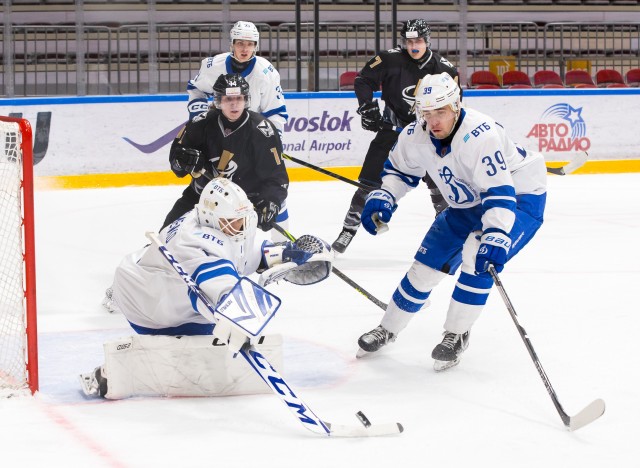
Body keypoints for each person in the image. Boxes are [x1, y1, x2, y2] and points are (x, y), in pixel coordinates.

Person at [356, 73, 547, 371]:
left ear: (456, 106)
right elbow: (399, 172)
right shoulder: (414, 135)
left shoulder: (480, 135)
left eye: (441, 112)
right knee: (424, 268)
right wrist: (385, 195)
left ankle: (456, 334)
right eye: (427, 113)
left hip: (519, 196)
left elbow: (498, 193)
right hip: (466, 202)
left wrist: (496, 234)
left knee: (476, 253)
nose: (433, 121)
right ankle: (388, 328)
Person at [83, 178, 333, 399]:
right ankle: (112, 372)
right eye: (232, 223)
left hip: (149, 274)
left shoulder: (218, 221)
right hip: (145, 300)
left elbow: (244, 254)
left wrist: (287, 254)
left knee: (213, 328)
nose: (241, 228)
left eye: (242, 221)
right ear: (212, 220)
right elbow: (220, 283)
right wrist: (235, 315)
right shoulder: (196, 241)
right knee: (204, 341)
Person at [331, 19, 460, 254]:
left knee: (441, 189)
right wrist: (367, 107)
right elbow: (363, 81)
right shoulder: (390, 59)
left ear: (427, 41)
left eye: (418, 41)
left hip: (428, 136)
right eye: (409, 41)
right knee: (368, 185)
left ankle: (449, 238)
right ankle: (348, 230)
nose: (413, 46)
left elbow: (456, 105)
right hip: (392, 132)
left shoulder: (444, 69)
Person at [162, 73, 289, 238]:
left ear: (246, 100)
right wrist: (182, 162)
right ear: (219, 101)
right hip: (201, 199)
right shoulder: (200, 124)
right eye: (228, 99)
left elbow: (277, 179)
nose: (234, 103)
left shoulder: (262, 131)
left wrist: (270, 202)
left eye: (239, 98)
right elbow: (176, 164)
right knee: (163, 240)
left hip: (241, 206)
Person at [186, 21, 288, 135]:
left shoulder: (267, 73)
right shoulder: (214, 66)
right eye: (240, 43)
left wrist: (272, 140)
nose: (245, 49)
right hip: (217, 130)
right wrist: (199, 120)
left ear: (256, 46)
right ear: (232, 44)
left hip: (250, 132)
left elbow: (275, 112)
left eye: (250, 44)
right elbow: (197, 89)